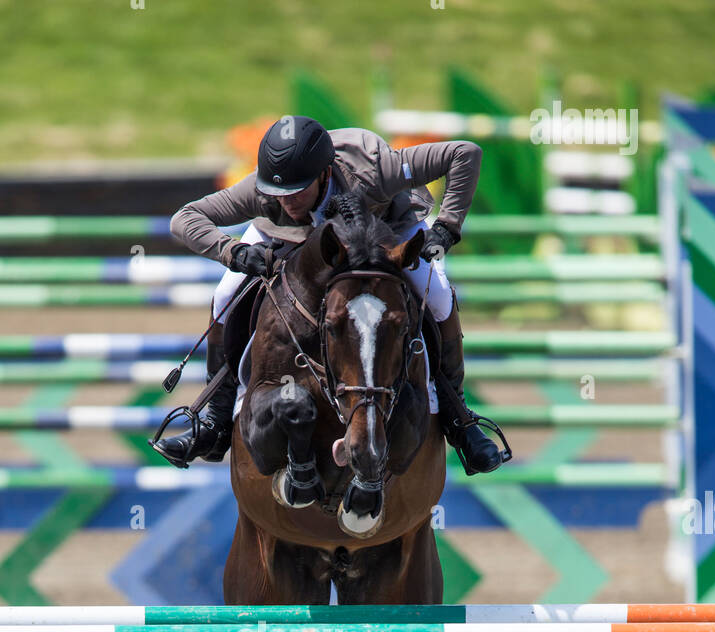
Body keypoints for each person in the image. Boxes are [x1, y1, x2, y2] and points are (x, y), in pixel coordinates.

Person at [153, 115, 503, 473]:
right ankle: (213, 420)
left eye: (297, 190)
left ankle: (459, 420)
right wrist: (234, 252)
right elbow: (185, 218)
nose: (287, 201)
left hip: (387, 232)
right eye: (279, 193)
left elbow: (464, 153)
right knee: (227, 291)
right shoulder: (267, 191)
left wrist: (446, 228)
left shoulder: (375, 170)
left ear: (323, 173)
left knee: (440, 295)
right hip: (293, 240)